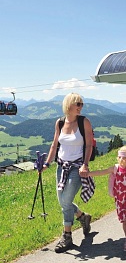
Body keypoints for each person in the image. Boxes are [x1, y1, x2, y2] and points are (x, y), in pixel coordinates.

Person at [42, 93, 95, 253]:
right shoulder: (59, 123)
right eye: (77, 104)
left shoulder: (83, 121)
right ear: (68, 105)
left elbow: (88, 146)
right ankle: (82, 217)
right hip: (61, 167)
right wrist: (47, 163)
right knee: (63, 202)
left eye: (81, 104)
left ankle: (67, 236)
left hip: (77, 167)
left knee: (65, 201)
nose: (80, 106)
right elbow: (54, 145)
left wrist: (85, 165)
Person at [88, 145, 126, 253]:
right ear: (125, 159)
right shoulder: (115, 169)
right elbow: (102, 172)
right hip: (121, 200)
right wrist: (88, 174)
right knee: (124, 221)